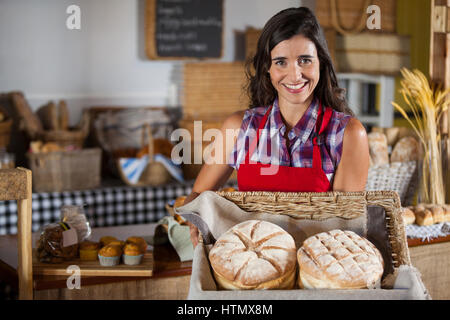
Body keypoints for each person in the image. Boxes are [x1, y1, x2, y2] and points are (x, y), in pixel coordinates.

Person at [183, 7, 369, 246]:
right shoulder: (238, 128)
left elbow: (346, 229)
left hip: (316, 270)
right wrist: (195, 216)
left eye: (305, 60)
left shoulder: (348, 134)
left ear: (320, 64)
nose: (295, 75)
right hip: (252, 264)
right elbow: (199, 195)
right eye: (281, 62)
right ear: (267, 69)